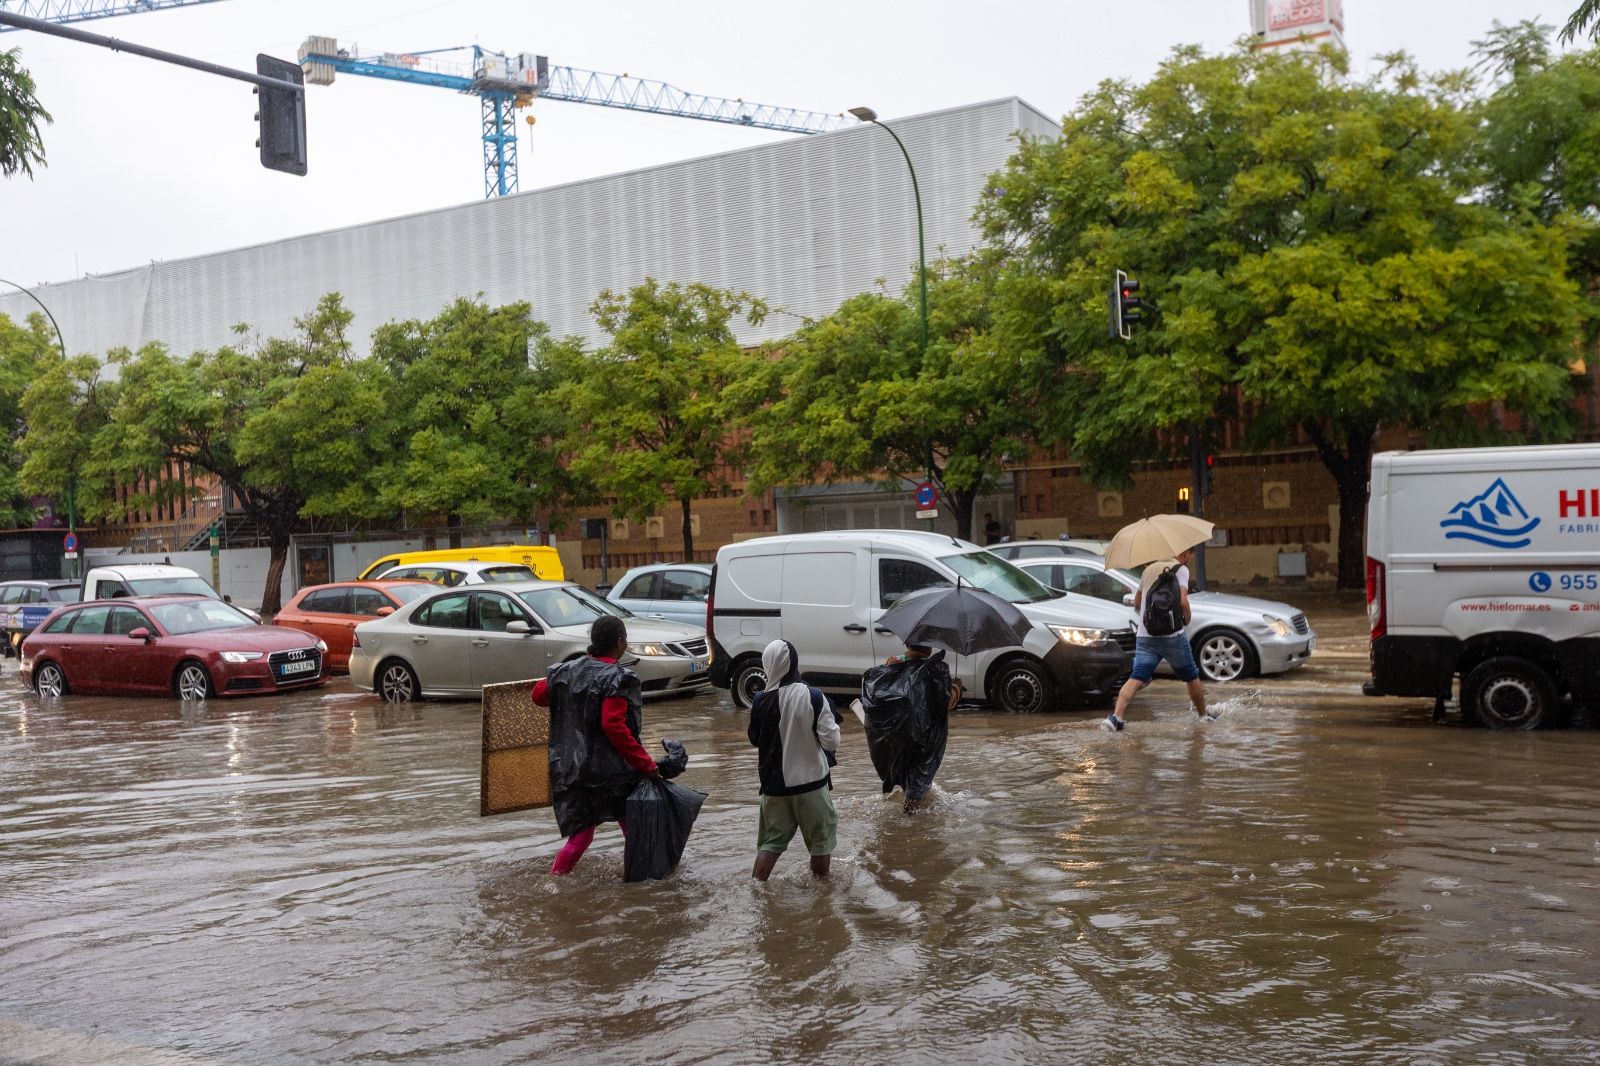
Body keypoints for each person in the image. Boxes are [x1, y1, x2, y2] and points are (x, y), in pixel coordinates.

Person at [531, 615, 660, 875]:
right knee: (632, 829)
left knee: (580, 838)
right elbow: (614, 726)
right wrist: (646, 764)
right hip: (611, 774)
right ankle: (639, 881)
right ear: (620, 642)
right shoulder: (618, 678)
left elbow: (538, 696)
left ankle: (555, 881)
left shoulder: (566, 671)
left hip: (571, 771)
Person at [748, 640, 841, 880]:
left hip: (774, 790)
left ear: (768, 665)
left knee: (770, 844)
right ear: (794, 664)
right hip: (810, 786)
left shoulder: (759, 700)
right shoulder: (813, 697)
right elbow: (831, 742)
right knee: (820, 844)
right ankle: (821, 897)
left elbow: (755, 739)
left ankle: (757, 891)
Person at [1103, 546, 1216, 731]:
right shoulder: (1182, 570)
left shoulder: (1149, 569)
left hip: (1146, 635)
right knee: (1191, 675)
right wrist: (1187, 618)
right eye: (1189, 554)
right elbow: (1182, 601)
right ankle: (1203, 716)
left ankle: (1116, 718)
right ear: (1185, 554)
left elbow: (1139, 601)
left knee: (1137, 676)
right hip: (1173, 637)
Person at [863, 643, 960, 813]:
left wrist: (891, 667)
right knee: (917, 783)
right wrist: (956, 687)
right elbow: (946, 702)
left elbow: (876, 700)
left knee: (903, 776)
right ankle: (910, 823)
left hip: (897, 737)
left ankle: (904, 820)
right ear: (930, 647)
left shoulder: (892, 666)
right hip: (925, 738)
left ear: (907, 643)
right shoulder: (936, 669)